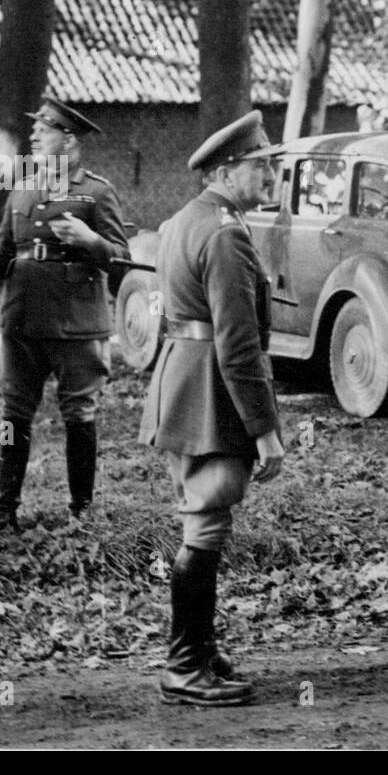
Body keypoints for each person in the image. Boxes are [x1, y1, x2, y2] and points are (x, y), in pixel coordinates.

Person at [139, 110, 286, 706]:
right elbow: (238, 342)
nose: (270, 174)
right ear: (228, 171)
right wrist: (266, 430)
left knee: (204, 519)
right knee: (206, 522)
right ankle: (183, 665)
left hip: (184, 384)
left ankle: (198, 649)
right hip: (210, 395)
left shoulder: (183, 221)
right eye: (261, 165)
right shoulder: (225, 233)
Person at [0, 97, 130, 539]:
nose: (33, 136)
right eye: (34, 129)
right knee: (13, 417)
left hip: (77, 325)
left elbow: (122, 260)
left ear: (68, 139)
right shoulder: (23, 189)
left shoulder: (97, 192)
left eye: (43, 130)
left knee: (79, 416)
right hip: (23, 321)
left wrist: (90, 240)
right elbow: (4, 252)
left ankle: (81, 514)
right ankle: (2, 511)